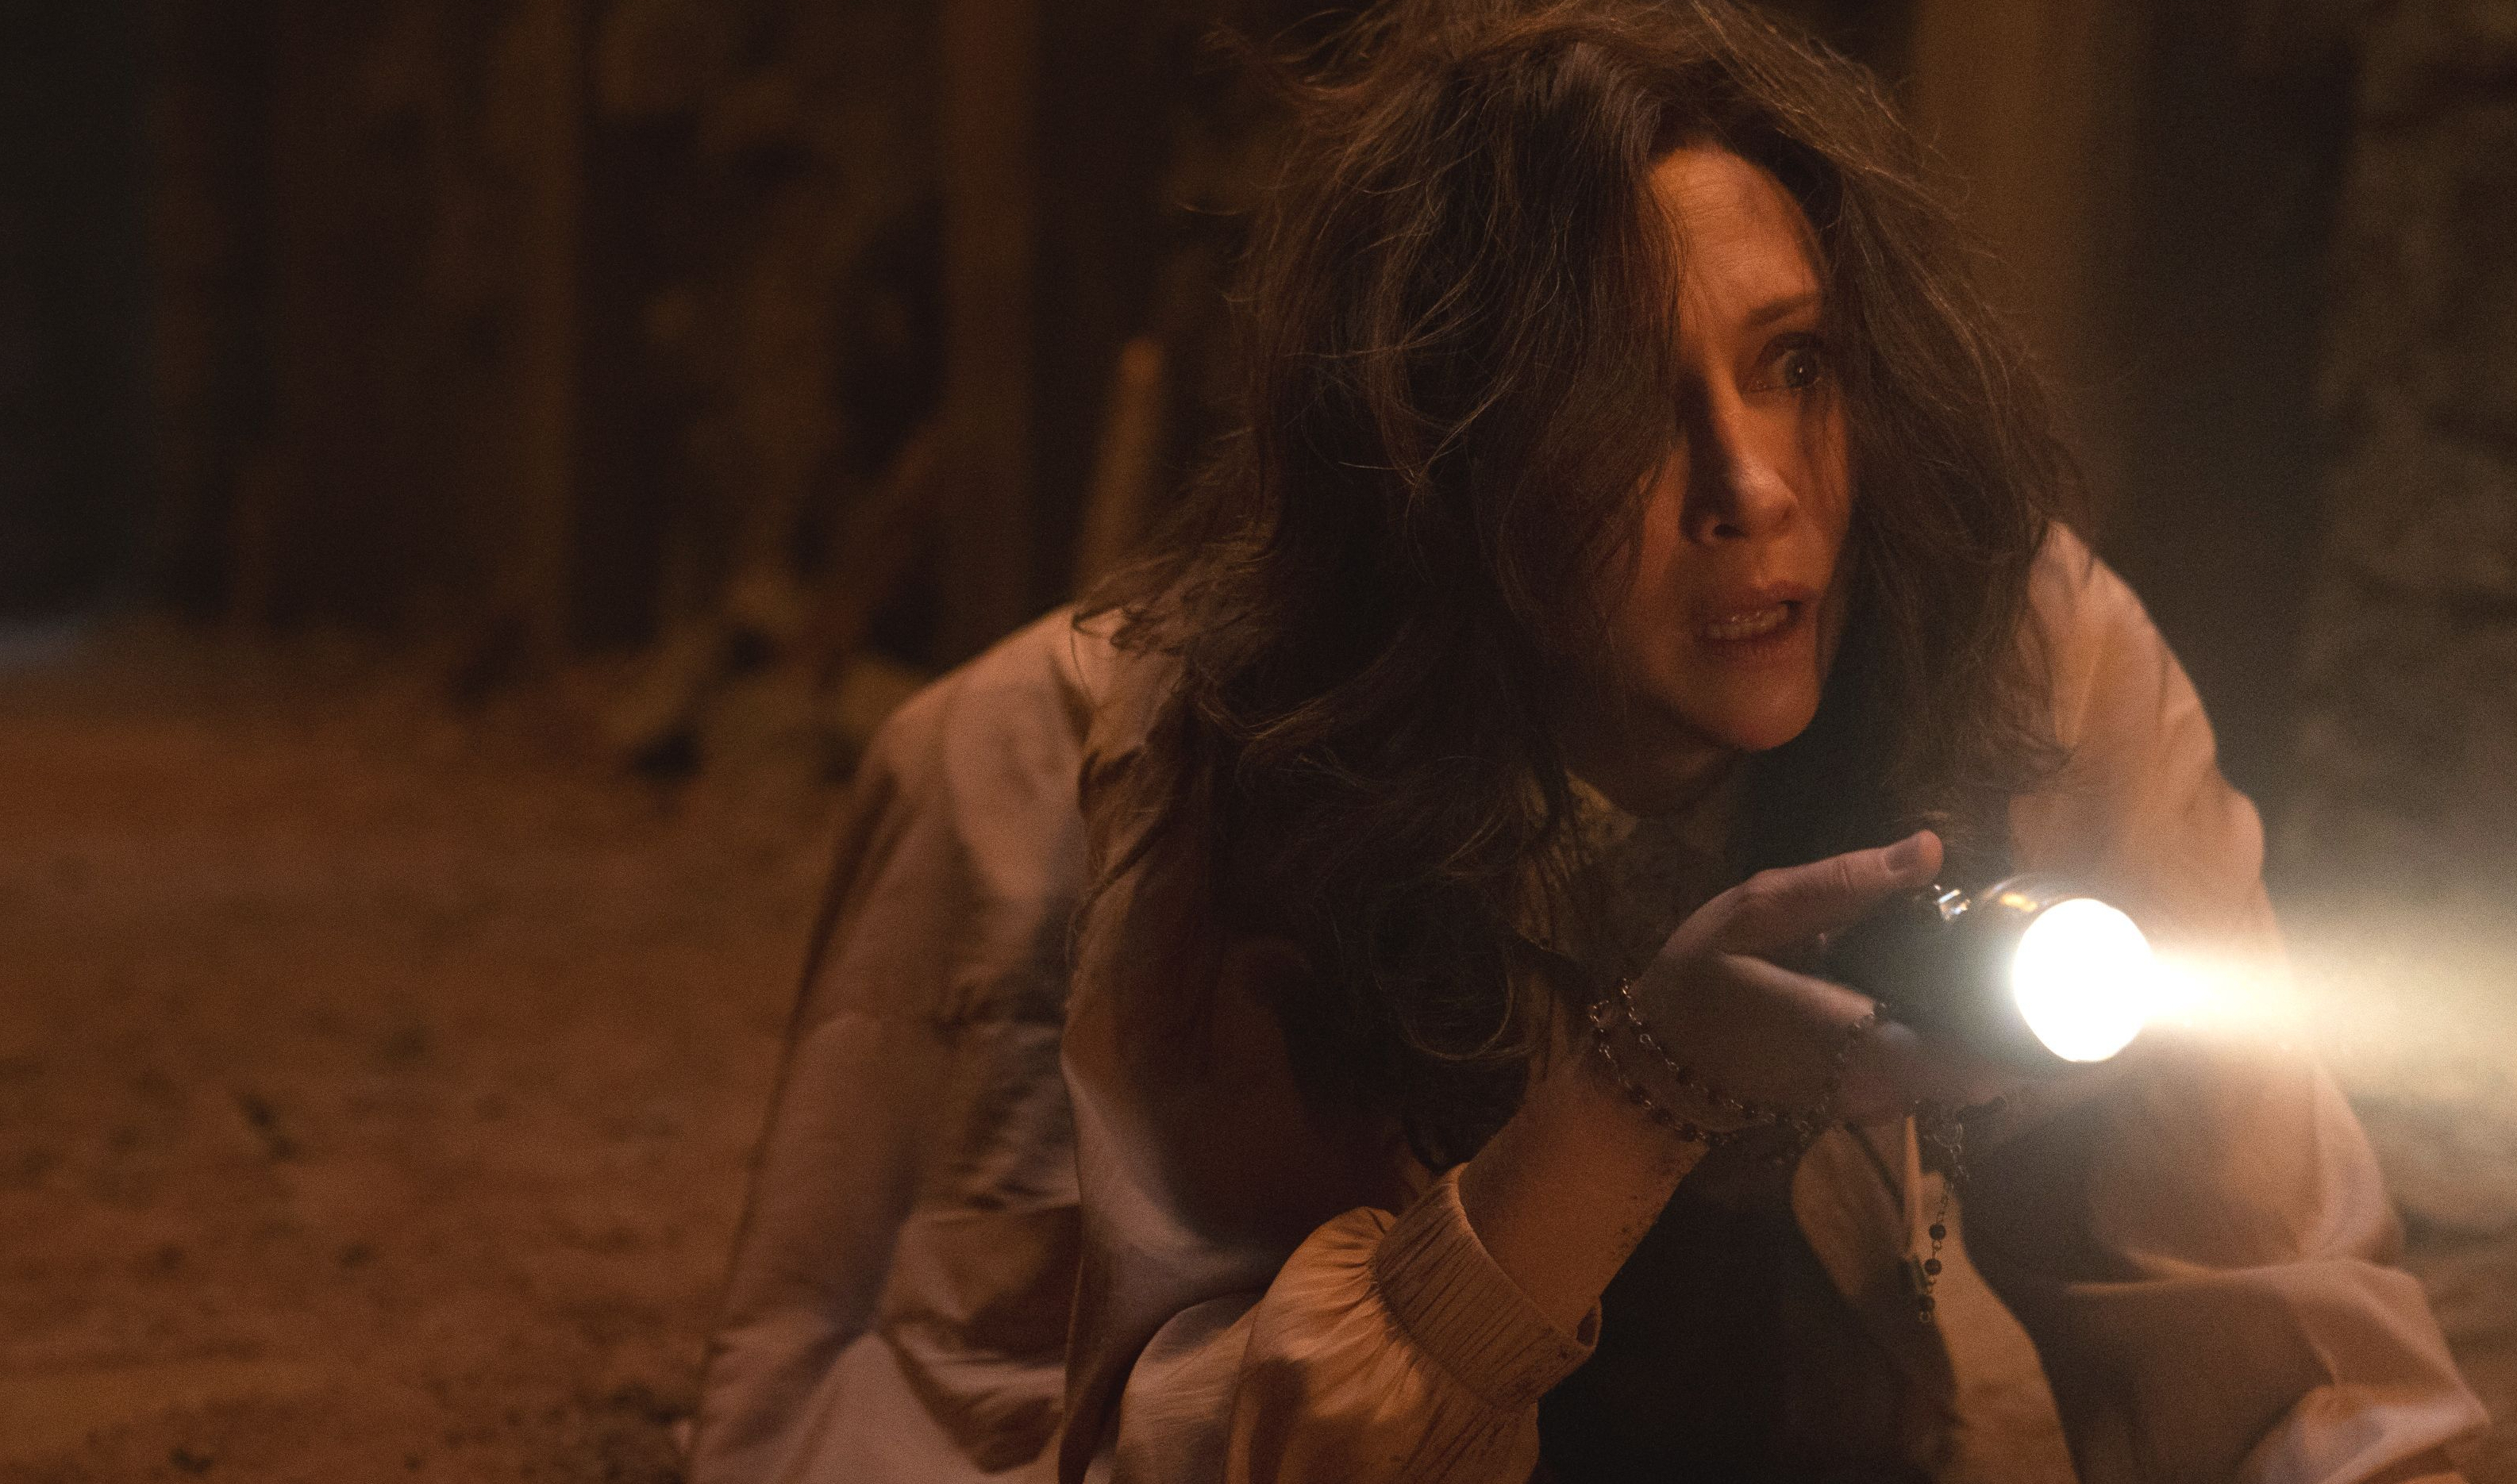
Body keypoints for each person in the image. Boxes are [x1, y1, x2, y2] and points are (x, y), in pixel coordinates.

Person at [691, 2, 2486, 1481]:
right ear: (1448, 463)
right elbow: (1203, 1439)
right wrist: (1642, 1087)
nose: (1752, 487)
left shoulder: (2011, 643)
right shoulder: (1171, 764)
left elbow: (2276, 1320)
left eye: (1793, 363)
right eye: (1622, 401)